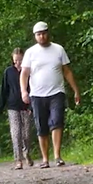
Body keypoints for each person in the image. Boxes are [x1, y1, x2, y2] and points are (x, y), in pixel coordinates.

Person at [20, 21, 80, 168]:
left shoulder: (58, 49)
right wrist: (23, 91)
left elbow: (67, 71)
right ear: (35, 36)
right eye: (39, 34)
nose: (42, 36)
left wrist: (76, 90)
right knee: (41, 126)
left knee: (57, 122)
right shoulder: (30, 53)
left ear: (48, 33)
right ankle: (45, 159)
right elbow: (24, 74)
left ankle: (57, 156)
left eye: (44, 33)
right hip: (37, 94)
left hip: (56, 92)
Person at [0, 48, 34, 170]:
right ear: (13, 60)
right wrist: (1, 107)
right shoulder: (8, 72)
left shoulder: (29, 71)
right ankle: (18, 159)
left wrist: (31, 106)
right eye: (15, 60)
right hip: (12, 106)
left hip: (26, 106)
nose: (18, 62)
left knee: (26, 134)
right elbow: (4, 90)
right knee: (16, 133)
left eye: (20, 60)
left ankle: (27, 152)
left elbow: (34, 88)